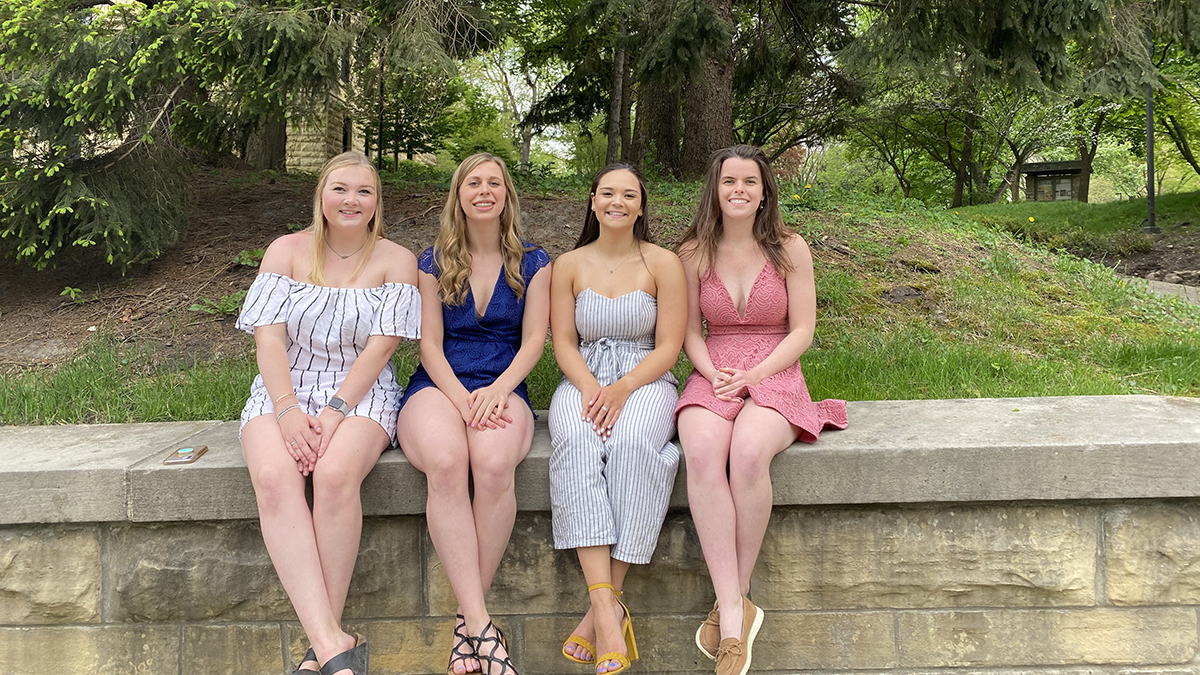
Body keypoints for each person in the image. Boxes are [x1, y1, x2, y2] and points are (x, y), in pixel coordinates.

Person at [237, 151, 421, 675]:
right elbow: (268, 339)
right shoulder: (286, 251)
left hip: (362, 394)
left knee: (336, 474)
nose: (351, 200)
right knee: (274, 478)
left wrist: (337, 410)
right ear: (321, 195)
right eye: (340, 189)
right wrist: (289, 410)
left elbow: (382, 347)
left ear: (376, 202)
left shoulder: (395, 258)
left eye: (363, 191)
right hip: (283, 390)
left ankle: (322, 651)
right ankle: (336, 650)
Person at [675, 145, 848, 675]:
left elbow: (802, 330)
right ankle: (735, 611)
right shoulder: (692, 253)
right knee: (702, 449)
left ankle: (733, 605)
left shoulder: (791, 248)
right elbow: (687, 333)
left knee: (749, 453)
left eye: (750, 182)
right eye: (729, 181)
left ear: (765, 190)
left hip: (775, 368)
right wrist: (710, 372)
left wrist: (756, 374)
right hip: (714, 368)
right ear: (715, 188)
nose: (739, 191)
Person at [396, 153, 551, 675]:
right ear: (458, 194)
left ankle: (467, 627)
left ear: (507, 194)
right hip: (439, 387)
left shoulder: (534, 262)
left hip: (506, 388)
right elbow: (429, 347)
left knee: (489, 466)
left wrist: (499, 391)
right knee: (445, 462)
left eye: (494, 183)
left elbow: (534, 343)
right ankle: (482, 627)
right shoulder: (432, 261)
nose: (483, 190)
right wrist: (463, 399)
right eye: (472, 183)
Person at [548, 164, 687, 675]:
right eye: (608, 193)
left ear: (641, 206)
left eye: (629, 195)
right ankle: (608, 611)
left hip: (644, 379)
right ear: (592, 201)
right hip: (583, 378)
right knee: (577, 443)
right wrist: (591, 388)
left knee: (631, 446)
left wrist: (624, 388)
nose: (618, 202)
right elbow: (563, 341)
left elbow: (670, 346)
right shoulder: (569, 264)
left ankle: (601, 612)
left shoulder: (662, 262)